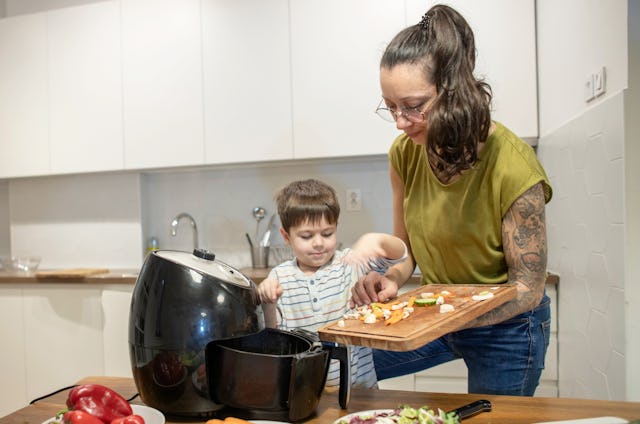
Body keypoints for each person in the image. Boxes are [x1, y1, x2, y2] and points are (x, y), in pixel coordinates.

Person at [350, 4, 553, 396]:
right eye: (390, 106)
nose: (399, 122)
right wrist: (390, 279)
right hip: (438, 315)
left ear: (453, 91)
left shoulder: (512, 164)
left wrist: (445, 316)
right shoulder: (404, 153)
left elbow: (528, 286)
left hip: (508, 328)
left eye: (412, 106)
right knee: (340, 365)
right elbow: (406, 250)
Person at [257, 178, 407, 389]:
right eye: (307, 236)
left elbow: (400, 253)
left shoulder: (352, 263)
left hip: (362, 392)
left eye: (327, 233)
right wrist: (267, 302)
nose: (319, 243)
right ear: (286, 236)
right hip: (308, 395)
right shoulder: (280, 277)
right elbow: (274, 340)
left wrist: (376, 240)